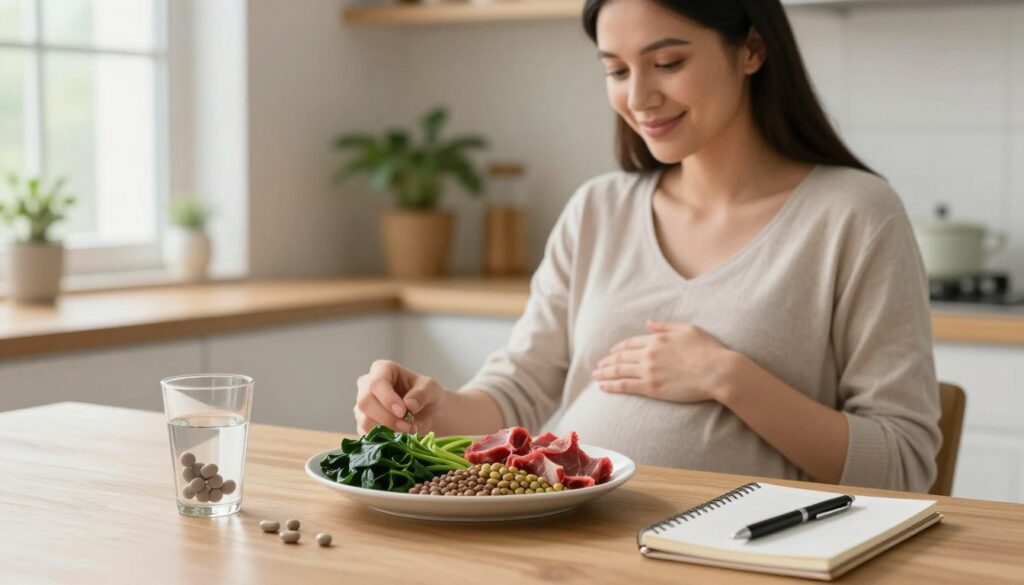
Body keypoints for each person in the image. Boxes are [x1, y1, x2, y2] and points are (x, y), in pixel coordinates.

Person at [353, 0, 941, 493]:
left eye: (667, 62)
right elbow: (518, 389)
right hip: (567, 541)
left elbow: (904, 464)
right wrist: (426, 409)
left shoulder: (855, 215)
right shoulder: (598, 209)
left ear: (752, 50)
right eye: (617, 71)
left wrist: (727, 376)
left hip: (744, 553)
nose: (639, 97)